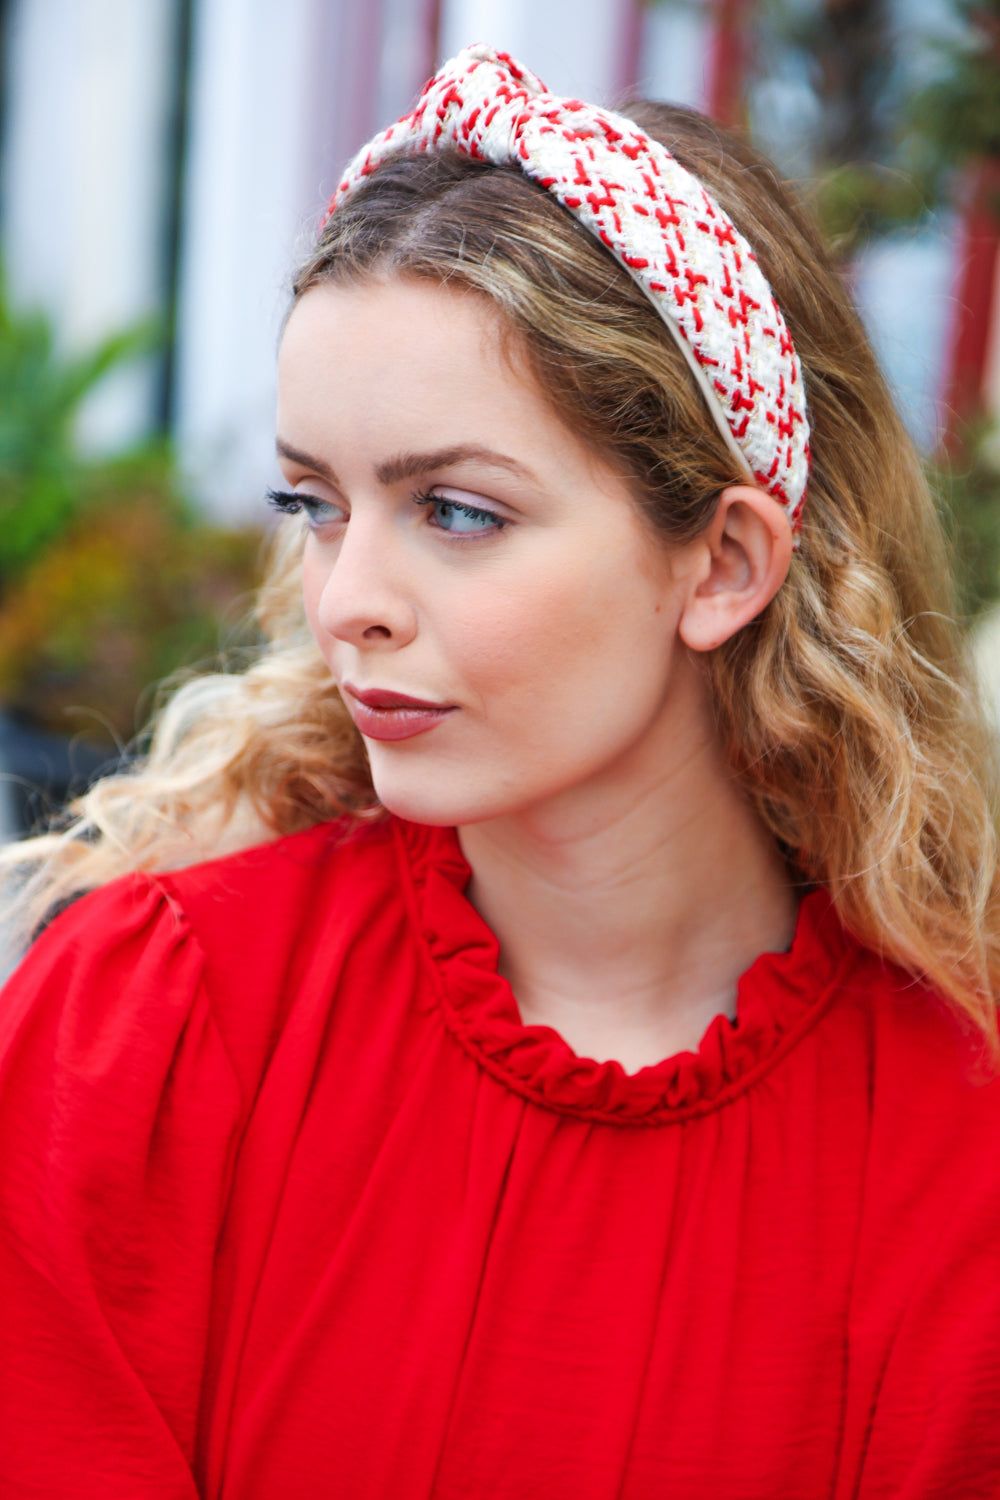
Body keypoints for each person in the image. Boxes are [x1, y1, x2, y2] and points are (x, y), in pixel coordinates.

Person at [1, 42, 999, 1499]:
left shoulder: (949, 1153)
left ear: (720, 563)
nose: (344, 600)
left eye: (456, 510)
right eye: (316, 502)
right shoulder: (148, 1029)